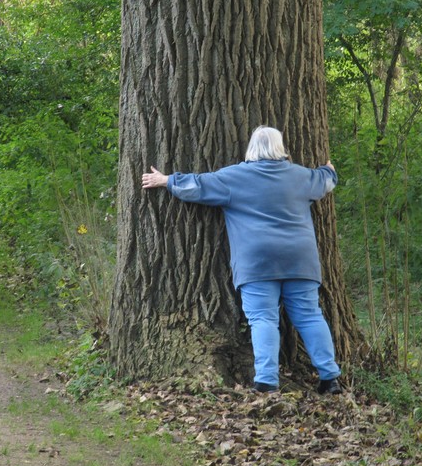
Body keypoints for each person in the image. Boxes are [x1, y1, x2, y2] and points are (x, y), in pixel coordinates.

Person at [141, 125, 342, 394]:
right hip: (300, 259)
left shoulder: (235, 177)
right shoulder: (300, 176)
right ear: (280, 148)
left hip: (257, 261)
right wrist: (329, 170)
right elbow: (325, 181)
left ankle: (267, 381)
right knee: (308, 316)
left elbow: (198, 186)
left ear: (251, 148)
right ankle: (330, 378)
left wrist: (167, 180)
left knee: (263, 319)